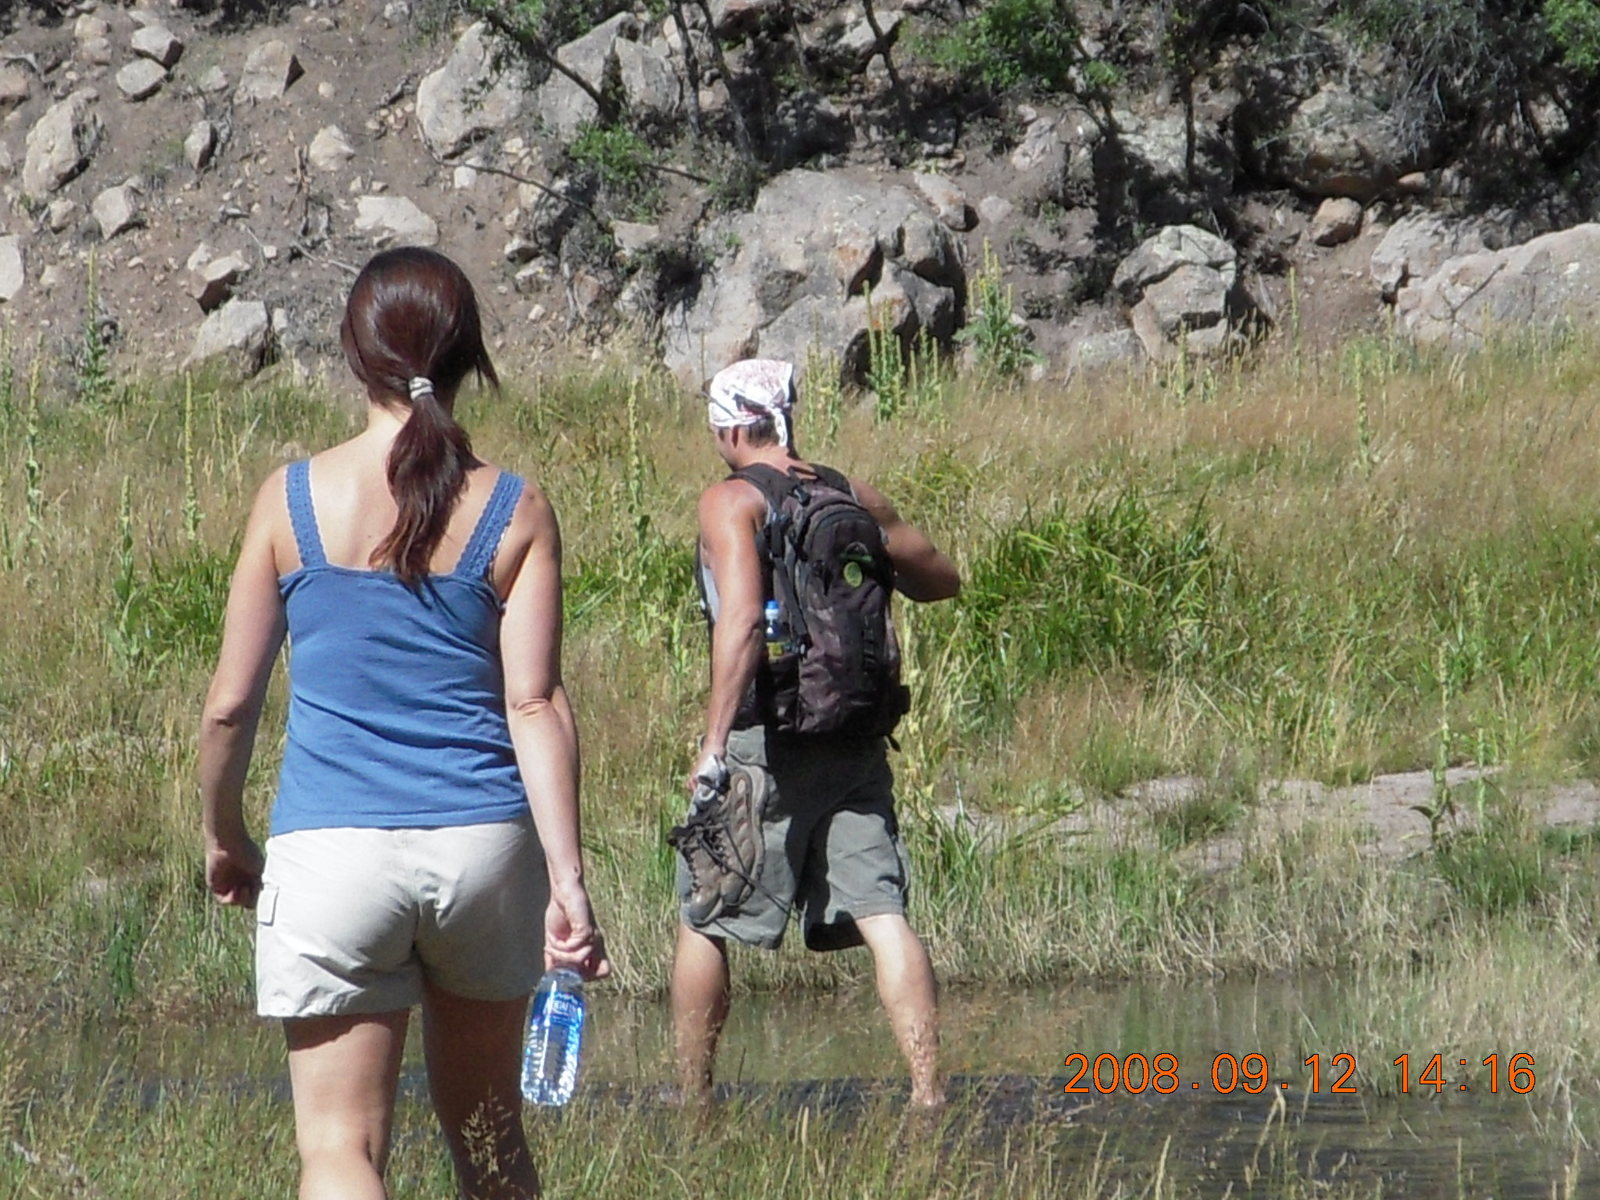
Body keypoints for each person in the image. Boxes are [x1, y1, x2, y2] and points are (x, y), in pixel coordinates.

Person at [199, 246, 608, 1200]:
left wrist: (224, 836)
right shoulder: (516, 507)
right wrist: (568, 880)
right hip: (483, 852)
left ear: (355, 353)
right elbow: (535, 704)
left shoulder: (288, 500)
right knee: (491, 1141)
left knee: (339, 1148)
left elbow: (230, 705)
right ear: (470, 356)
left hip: (330, 857)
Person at [669, 358, 960, 1109]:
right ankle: (929, 1091)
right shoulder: (850, 494)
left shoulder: (731, 501)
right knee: (884, 916)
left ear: (734, 429)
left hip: (764, 742)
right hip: (854, 740)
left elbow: (740, 621)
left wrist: (713, 746)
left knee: (705, 917)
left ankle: (693, 1099)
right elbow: (941, 579)